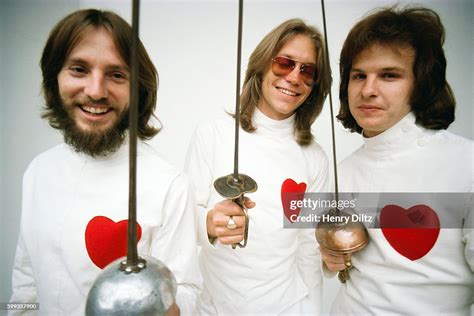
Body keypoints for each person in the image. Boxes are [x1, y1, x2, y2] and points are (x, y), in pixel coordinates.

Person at [9, 9, 201, 315]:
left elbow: (186, 290)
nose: (96, 91)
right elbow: (25, 282)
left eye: (116, 75)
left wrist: (171, 310)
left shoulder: (169, 184)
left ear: (137, 89)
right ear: (54, 77)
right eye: (79, 69)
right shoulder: (37, 171)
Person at [320, 6, 473, 314]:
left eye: (389, 75)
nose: (368, 90)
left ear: (420, 83)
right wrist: (328, 256)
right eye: (359, 76)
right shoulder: (341, 172)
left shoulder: (467, 163)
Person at [185, 19, 331, 314]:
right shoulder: (212, 134)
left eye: (308, 70)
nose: (293, 77)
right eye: (284, 63)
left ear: (315, 84)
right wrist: (210, 224)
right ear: (263, 65)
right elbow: (184, 225)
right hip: (215, 308)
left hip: (289, 307)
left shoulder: (314, 156)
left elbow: (308, 248)